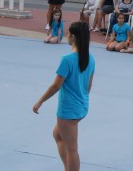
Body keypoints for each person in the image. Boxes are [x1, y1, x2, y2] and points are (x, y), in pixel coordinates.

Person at [33, 21, 95, 171]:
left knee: (72, 149)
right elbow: (88, 86)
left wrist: (40, 101)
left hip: (68, 110)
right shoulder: (90, 58)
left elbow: (56, 85)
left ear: (73, 37)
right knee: (58, 134)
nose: (67, 35)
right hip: (82, 106)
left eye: (69, 33)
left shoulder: (67, 60)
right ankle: (68, 167)